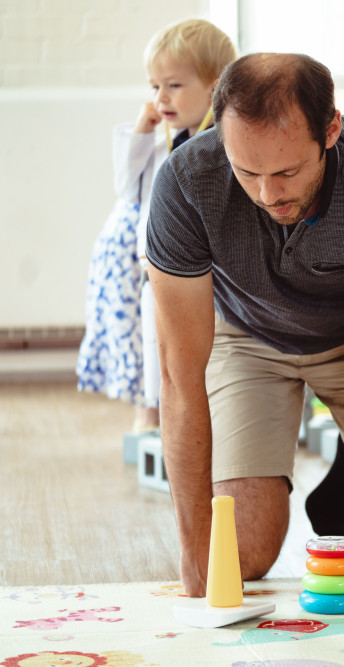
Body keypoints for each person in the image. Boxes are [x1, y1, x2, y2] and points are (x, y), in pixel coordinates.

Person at [145, 53, 344, 595]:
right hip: (247, 340)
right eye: (247, 172)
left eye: (286, 172)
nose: (267, 194)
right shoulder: (185, 182)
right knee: (238, 556)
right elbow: (179, 377)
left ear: (331, 128)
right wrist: (195, 556)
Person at [76, 18, 236, 433]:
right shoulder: (161, 138)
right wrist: (140, 135)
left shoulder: (223, 139)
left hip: (205, 271)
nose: (160, 97)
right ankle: (151, 413)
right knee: (152, 344)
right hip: (153, 268)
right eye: (154, 87)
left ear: (215, 86)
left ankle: (195, 417)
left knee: (200, 348)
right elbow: (127, 189)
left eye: (175, 85)